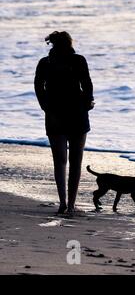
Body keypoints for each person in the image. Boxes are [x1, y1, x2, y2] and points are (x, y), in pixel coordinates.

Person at [34, 31, 94, 215]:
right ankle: (71, 205)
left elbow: (38, 87)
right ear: (69, 43)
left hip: (54, 115)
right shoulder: (78, 60)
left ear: (52, 44)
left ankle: (62, 203)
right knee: (76, 161)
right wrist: (88, 102)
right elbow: (87, 84)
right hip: (77, 114)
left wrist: (46, 107)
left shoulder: (45, 63)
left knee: (59, 161)